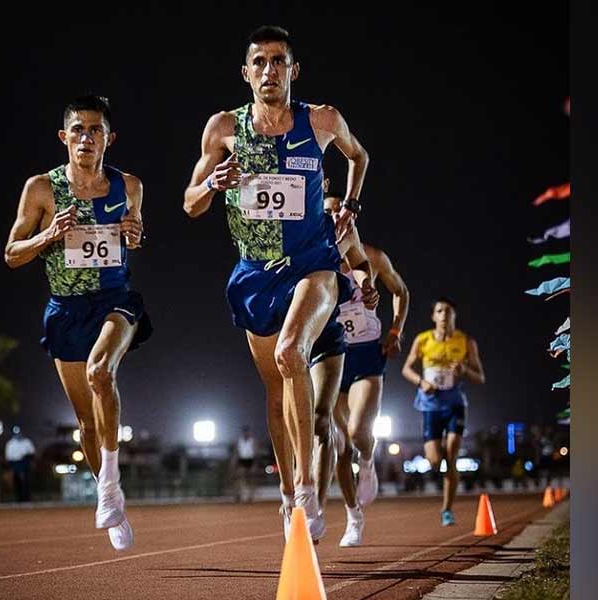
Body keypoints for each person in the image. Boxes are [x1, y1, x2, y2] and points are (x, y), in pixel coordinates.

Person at [183, 25, 369, 542]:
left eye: (279, 61)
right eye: (260, 62)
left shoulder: (322, 120)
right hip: (253, 273)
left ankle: (309, 494)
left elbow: (360, 156)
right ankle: (289, 492)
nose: (270, 71)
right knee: (273, 387)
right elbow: (190, 204)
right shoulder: (223, 128)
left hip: (312, 262)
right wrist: (211, 183)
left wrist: (350, 207)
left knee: (292, 353)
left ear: (294, 70)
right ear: (246, 73)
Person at [4, 94, 152, 551]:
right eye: (79, 129)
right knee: (85, 422)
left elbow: (136, 233)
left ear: (110, 137)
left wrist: (135, 233)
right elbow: (11, 253)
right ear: (64, 137)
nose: (87, 137)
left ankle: (108, 488)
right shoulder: (41, 189)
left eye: (95, 129)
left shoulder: (128, 185)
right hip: (66, 309)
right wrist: (49, 235)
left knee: (100, 372)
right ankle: (110, 492)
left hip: (115, 300)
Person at [320, 194, 410, 546]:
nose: (332, 217)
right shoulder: (317, 261)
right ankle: (353, 517)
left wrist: (395, 331)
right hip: (331, 356)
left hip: (367, 356)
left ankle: (369, 459)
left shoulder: (371, 257)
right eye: (324, 212)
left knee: (358, 433)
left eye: (336, 211)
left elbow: (401, 291)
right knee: (340, 445)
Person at [401, 298, 485, 526]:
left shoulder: (466, 341)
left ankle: (447, 509)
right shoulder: (423, 340)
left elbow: (480, 377)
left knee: (451, 455)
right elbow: (406, 369)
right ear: (433, 316)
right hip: (430, 406)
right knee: (435, 460)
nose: (444, 314)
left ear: (454, 315)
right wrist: (421, 382)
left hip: (455, 404)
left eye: (448, 311)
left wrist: (465, 369)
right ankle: (445, 480)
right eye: (439, 311)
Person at [4, 425, 36, 502]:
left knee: (26, 481)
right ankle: (19, 498)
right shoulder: (10, 443)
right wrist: (10, 466)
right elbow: (8, 456)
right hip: (14, 463)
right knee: (17, 482)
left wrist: (29, 461)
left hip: (25, 462)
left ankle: (27, 498)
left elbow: (32, 453)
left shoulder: (26, 442)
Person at [233, 426, 257, 502]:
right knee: (241, 477)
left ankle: (250, 496)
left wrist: (255, 463)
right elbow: (236, 452)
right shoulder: (239, 441)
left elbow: (255, 451)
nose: (245, 434)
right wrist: (235, 462)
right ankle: (239, 495)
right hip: (242, 460)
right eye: (244, 432)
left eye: (247, 432)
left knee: (250, 478)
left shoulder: (252, 441)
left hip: (250, 460)